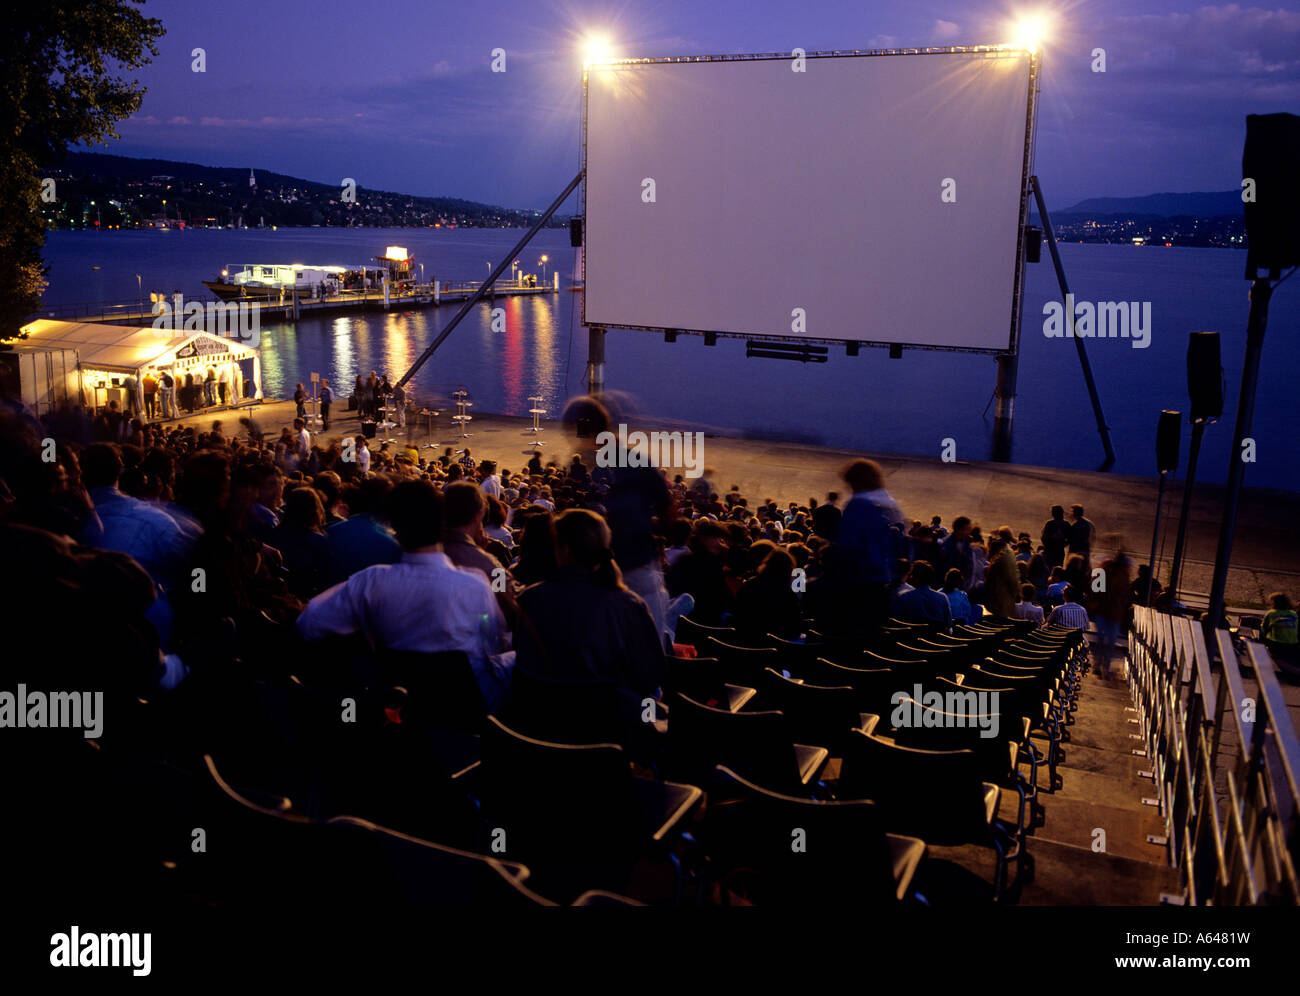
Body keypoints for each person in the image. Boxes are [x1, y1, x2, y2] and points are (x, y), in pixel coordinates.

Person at [298, 480, 512, 711]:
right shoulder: (476, 584)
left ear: (393, 527)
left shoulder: (369, 582)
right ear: (442, 523)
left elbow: (309, 623)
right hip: (467, 706)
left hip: (401, 703)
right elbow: (493, 646)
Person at [513, 509, 665, 727]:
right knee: (651, 700)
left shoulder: (530, 598)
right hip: (611, 729)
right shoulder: (628, 605)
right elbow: (651, 676)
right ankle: (650, 747)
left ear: (564, 550)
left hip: (541, 723)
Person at [1092, 552, 1132, 676]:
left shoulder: (1106, 571)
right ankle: (1103, 666)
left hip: (1108, 611)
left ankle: (1100, 665)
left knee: (1103, 640)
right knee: (1108, 641)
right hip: (1111, 611)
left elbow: (1095, 588)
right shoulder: (1122, 576)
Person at [893, 561, 952, 631]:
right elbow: (948, 624)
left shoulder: (904, 597)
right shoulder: (943, 598)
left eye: (912, 575)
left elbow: (897, 622)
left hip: (911, 640)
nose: (910, 577)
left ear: (916, 578)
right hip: (936, 640)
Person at [1261, 593, 1298, 662]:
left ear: (1274, 603)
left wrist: (1262, 639)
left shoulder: (1271, 613)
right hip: (1293, 645)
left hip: (1276, 645)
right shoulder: (1293, 614)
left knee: (1266, 630)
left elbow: (1263, 628)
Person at [1068, 504, 1095, 573]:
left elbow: (1071, 538)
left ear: (1075, 513)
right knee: (1085, 569)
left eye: (1072, 512)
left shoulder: (1076, 524)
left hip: (1076, 551)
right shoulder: (1089, 523)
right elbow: (1093, 537)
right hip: (1085, 550)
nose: (1071, 514)